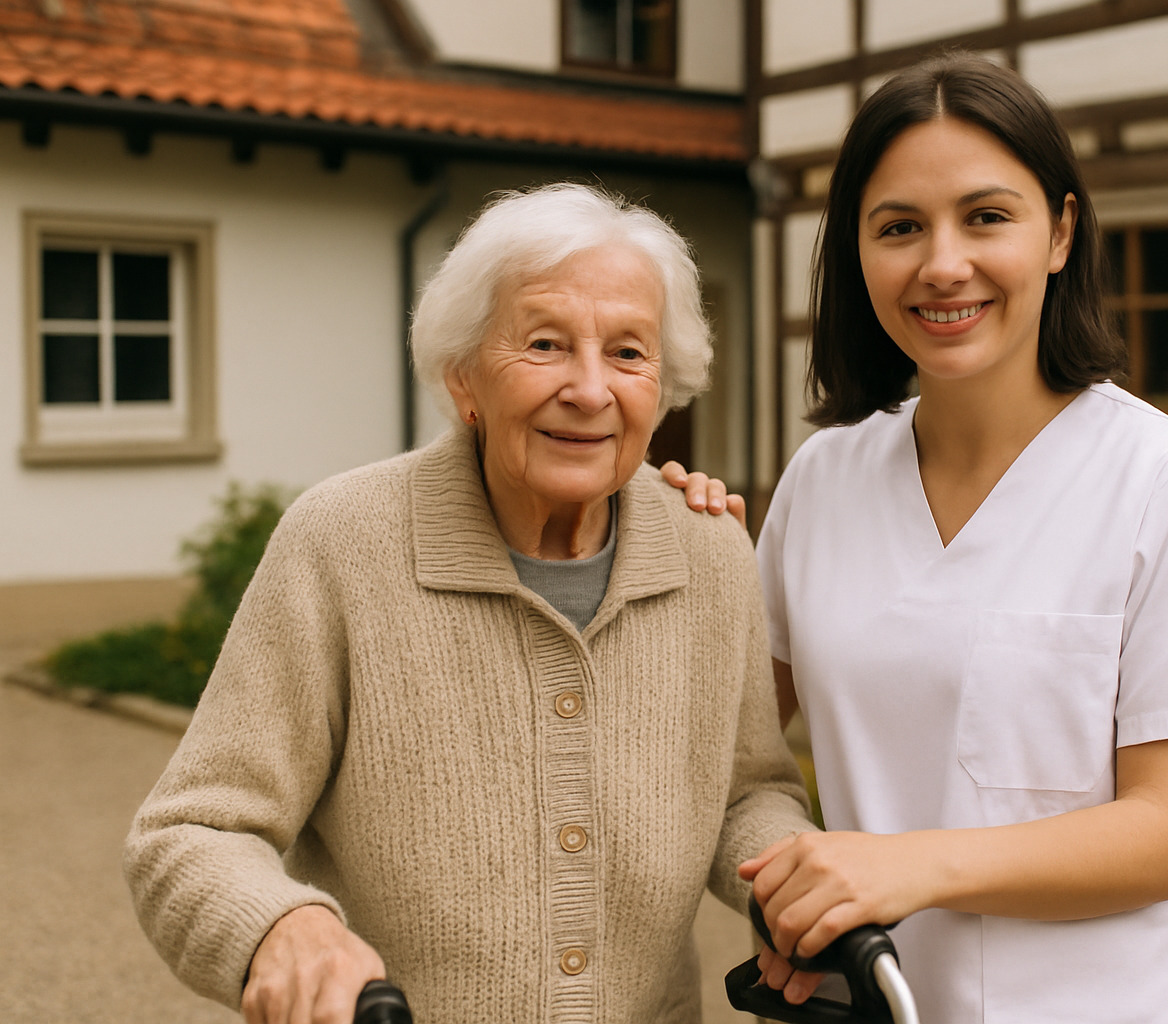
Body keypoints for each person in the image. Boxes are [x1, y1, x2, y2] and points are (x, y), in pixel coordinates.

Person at [667, 53, 1168, 1022]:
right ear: (857, 251)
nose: (942, 264)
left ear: (1061, 232)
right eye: (899, 228)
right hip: (882, 1002)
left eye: (987, 216)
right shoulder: (823, 480)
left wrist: (905, 866)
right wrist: (657, 551)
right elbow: (718, 751)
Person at [124, 183, 813, 1024]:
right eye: (546, 344)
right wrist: (280, 927)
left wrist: (799, 881)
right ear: (464, 376)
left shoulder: (711, 550)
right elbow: (193, 829)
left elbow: (746, 792)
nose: (590, 388)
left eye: (628, 353)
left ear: (661, 384)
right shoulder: (341, 542)